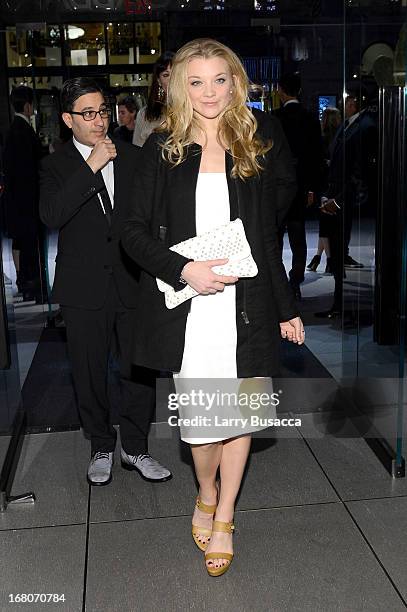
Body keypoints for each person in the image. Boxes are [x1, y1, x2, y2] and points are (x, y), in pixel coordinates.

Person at [122, 38, 304, 576]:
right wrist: (184, 269)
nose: (208, 92)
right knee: (201, 428)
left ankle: (225, 513)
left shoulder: (255, 145)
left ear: (236, 82)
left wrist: (285, 306)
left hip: (245, 304)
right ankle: (206, 489)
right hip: (190, 312)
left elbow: (266, 237)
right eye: (196, 81)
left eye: (219, 80)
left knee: (242, 415)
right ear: (180, 85)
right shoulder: (162, 148)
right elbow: (130, 232)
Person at [39, 77, 171, 486]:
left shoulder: (132, 158)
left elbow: (151, 219)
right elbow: (52, 215)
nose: (99, 121)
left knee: (138, 370)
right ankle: (100, 444)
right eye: (88, 113)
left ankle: (135, 446)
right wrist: (90, 166)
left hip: (133, 281)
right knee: (88, 371)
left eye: (103, 111)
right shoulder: (54, 166)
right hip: (83, 288)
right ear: (68, 119)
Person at [315, 85, 377, 318]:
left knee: (341, 251)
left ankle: (344, 307)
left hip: (347, 202)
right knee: (337, 254)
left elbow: (360, 173)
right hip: (335, 198)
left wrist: (339, 201)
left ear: (354, 101)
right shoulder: (349, 124)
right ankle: (339, 304)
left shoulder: (366, 127)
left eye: (348, 99)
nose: (345, 102)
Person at [274, 72, 324, 300]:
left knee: (274, 237)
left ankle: (278, 282)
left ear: (281, 90)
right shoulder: (310, 118)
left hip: (275, 188)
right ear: (299, 91)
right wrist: (313, 188)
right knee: (297, 236)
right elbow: (316, 157)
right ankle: (295, 281)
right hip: (301, 187)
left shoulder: (274, 118)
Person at [3, 86, 45, 301]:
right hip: (26, 201)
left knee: (20, 241)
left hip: (17, 200)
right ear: (28, 105)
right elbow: (30, 169)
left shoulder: (14, 130)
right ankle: (29, 284)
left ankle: (24, 282)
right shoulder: (23, 131)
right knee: (28, 244)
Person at [307, 107, 341, 274]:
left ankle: (321, 258)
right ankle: (325, 259)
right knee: (326, 225)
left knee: (325, 225)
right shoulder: (339, 137)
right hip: (333, 183)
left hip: (323, 183)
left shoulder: (321, 138)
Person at [132, 51, 174, 147]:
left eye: (176, 73)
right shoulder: (144, 115)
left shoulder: (195, 109)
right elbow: (137, 152)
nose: (172, 79)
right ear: (159, 81)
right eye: (166, 75)